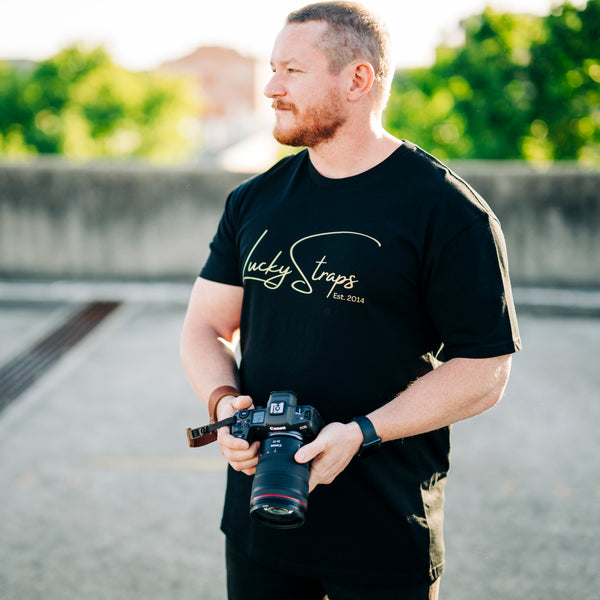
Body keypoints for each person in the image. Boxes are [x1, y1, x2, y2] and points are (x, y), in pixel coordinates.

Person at [180, 2, 522, 599]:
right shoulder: (253, 200)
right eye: (272, 68)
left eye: (292, 70)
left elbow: (486, 369)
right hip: (261, 522)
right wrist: (226, 402)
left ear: (358, 80)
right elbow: (206, 326)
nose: (271, 87)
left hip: (384, 532)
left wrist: (362, 432)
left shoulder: (447, 212)